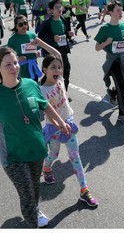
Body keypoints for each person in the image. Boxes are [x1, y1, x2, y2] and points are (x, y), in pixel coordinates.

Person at [0, 47, 71, 228]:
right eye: (8, 64)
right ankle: (32, 223)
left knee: (35, 189)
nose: (14, 67)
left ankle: (35, 210)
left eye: (15, 63)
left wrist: (61, 122)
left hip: (37, 150)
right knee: (27, 194)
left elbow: (45, 106)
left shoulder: (31, 85)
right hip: (13, 156)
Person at [40, 55, 98, 207]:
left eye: (59, 67)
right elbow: (48, 114)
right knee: (54, 154)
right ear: (45, 70)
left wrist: (40, 42)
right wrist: (59, 125)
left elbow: (58, 55)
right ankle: (46, 168)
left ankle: (84, 190)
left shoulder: (61, 81)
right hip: (54, 129)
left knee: (75, 157)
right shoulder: (42, 90)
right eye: (53, 67)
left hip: (69, 125)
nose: (57, 70)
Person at [94, 0, 124, 124]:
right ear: (110, 12)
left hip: (123, 60)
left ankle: (112, 93)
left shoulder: (123, 26)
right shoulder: (105, 28)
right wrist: (106, 43)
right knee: (121, 87)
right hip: (112, 62)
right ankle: (122, 115)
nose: (120, 12)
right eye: (117, 10)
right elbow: (97, 47)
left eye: (121, 10)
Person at [7, 14, 61, 82]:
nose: (24, 26)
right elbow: (8, 56)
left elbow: (39, 48)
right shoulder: (12, 39)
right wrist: (18, 58)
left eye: (25, 23)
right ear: (16, 26)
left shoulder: (32, 35)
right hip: (21, 71)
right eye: (20, 24)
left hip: (33, 68)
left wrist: (38, 52)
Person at [38, 0, 73, 94]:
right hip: (52, 52)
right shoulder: (47, 23)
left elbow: (65, 33)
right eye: (56, 7)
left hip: (63, 51)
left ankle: (63, 93)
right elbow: (40, 38)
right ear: (51, 10)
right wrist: (53, 38)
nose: (59, 9)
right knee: (50, 74)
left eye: (60, 6)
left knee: (66, 71)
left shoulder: (63, 20)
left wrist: (69, 34)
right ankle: (44, 91)